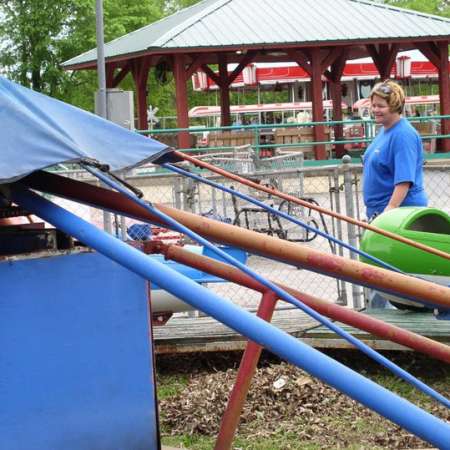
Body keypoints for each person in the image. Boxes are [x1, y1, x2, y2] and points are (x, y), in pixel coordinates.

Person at [362, 80, 427, 221]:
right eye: (373, 105)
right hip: (380, 212)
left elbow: (404, 180)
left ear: (394, 106)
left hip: (400, 213)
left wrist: (390, 209)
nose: (375, 110)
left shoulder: (403, 134)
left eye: (381, 106)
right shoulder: (385, 130)